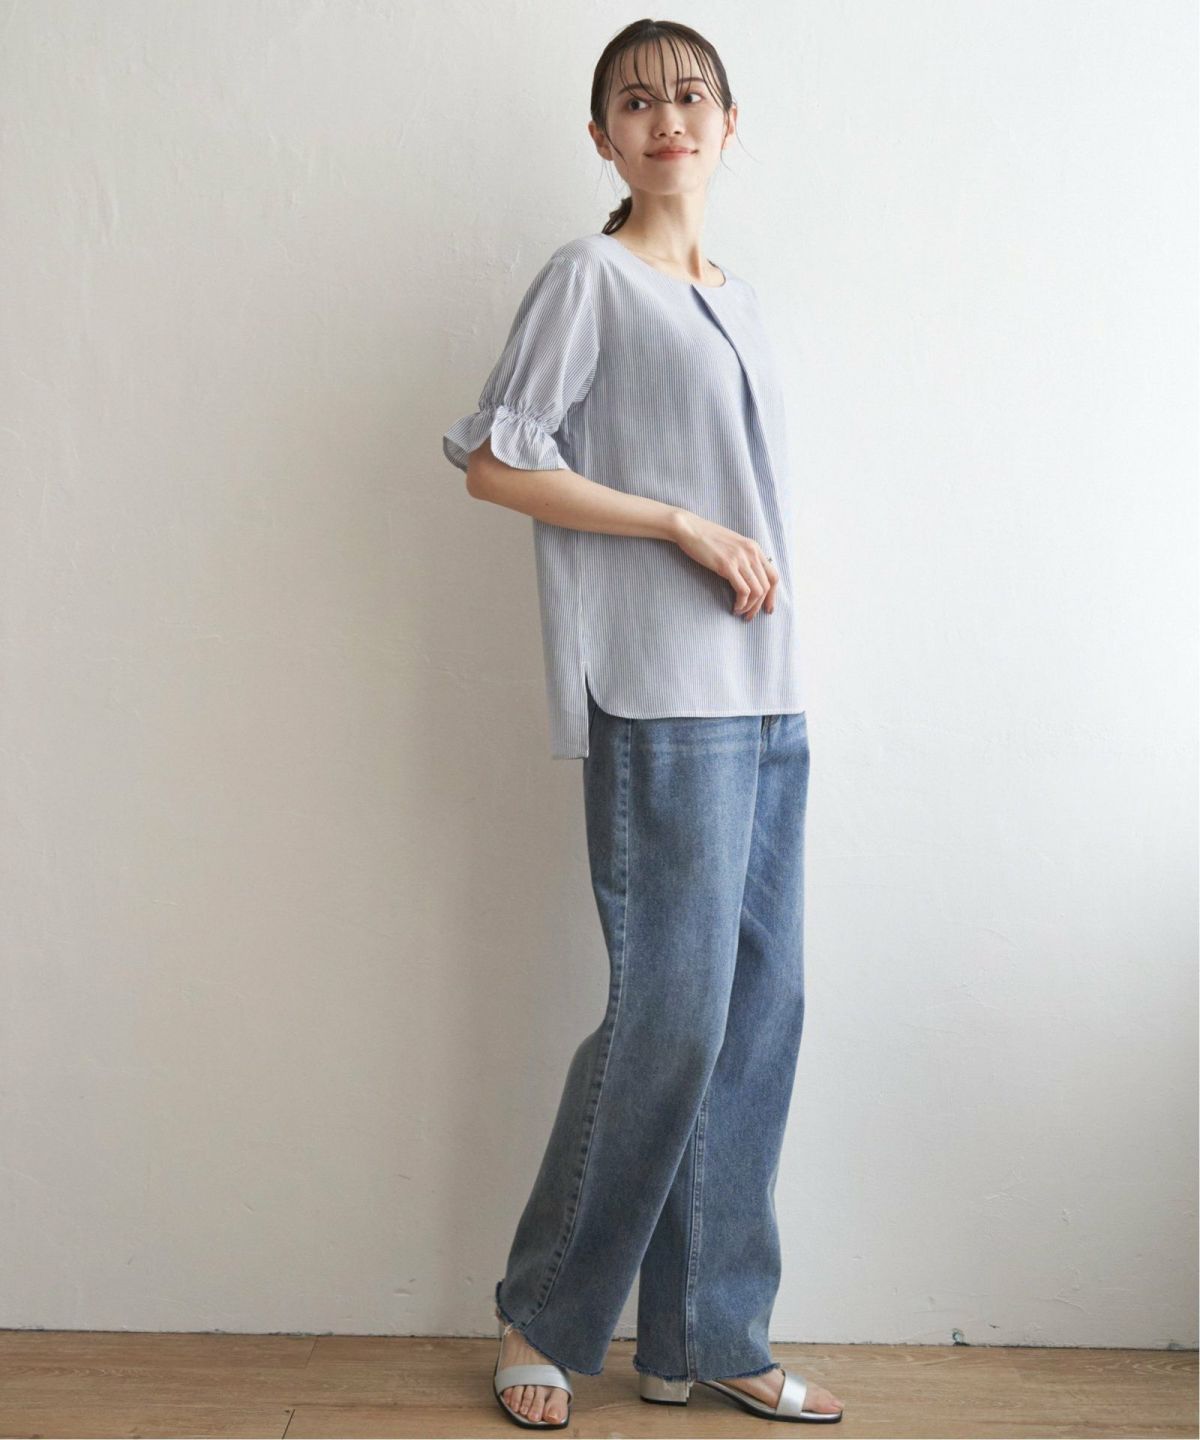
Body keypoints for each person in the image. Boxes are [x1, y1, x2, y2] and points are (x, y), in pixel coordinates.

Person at [441, 18, 845, 1430]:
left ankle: (705, 1336)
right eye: (635, 99)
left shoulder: (742, 299)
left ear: (730, 126)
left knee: (760, 1015)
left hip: (770, 689)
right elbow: (496, 460)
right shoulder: (589, 278)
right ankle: (543, 1312)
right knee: (670, 1017)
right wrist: (677, 523)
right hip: (663, 690)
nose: (666, 114)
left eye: (690, 94)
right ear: (602, 137)